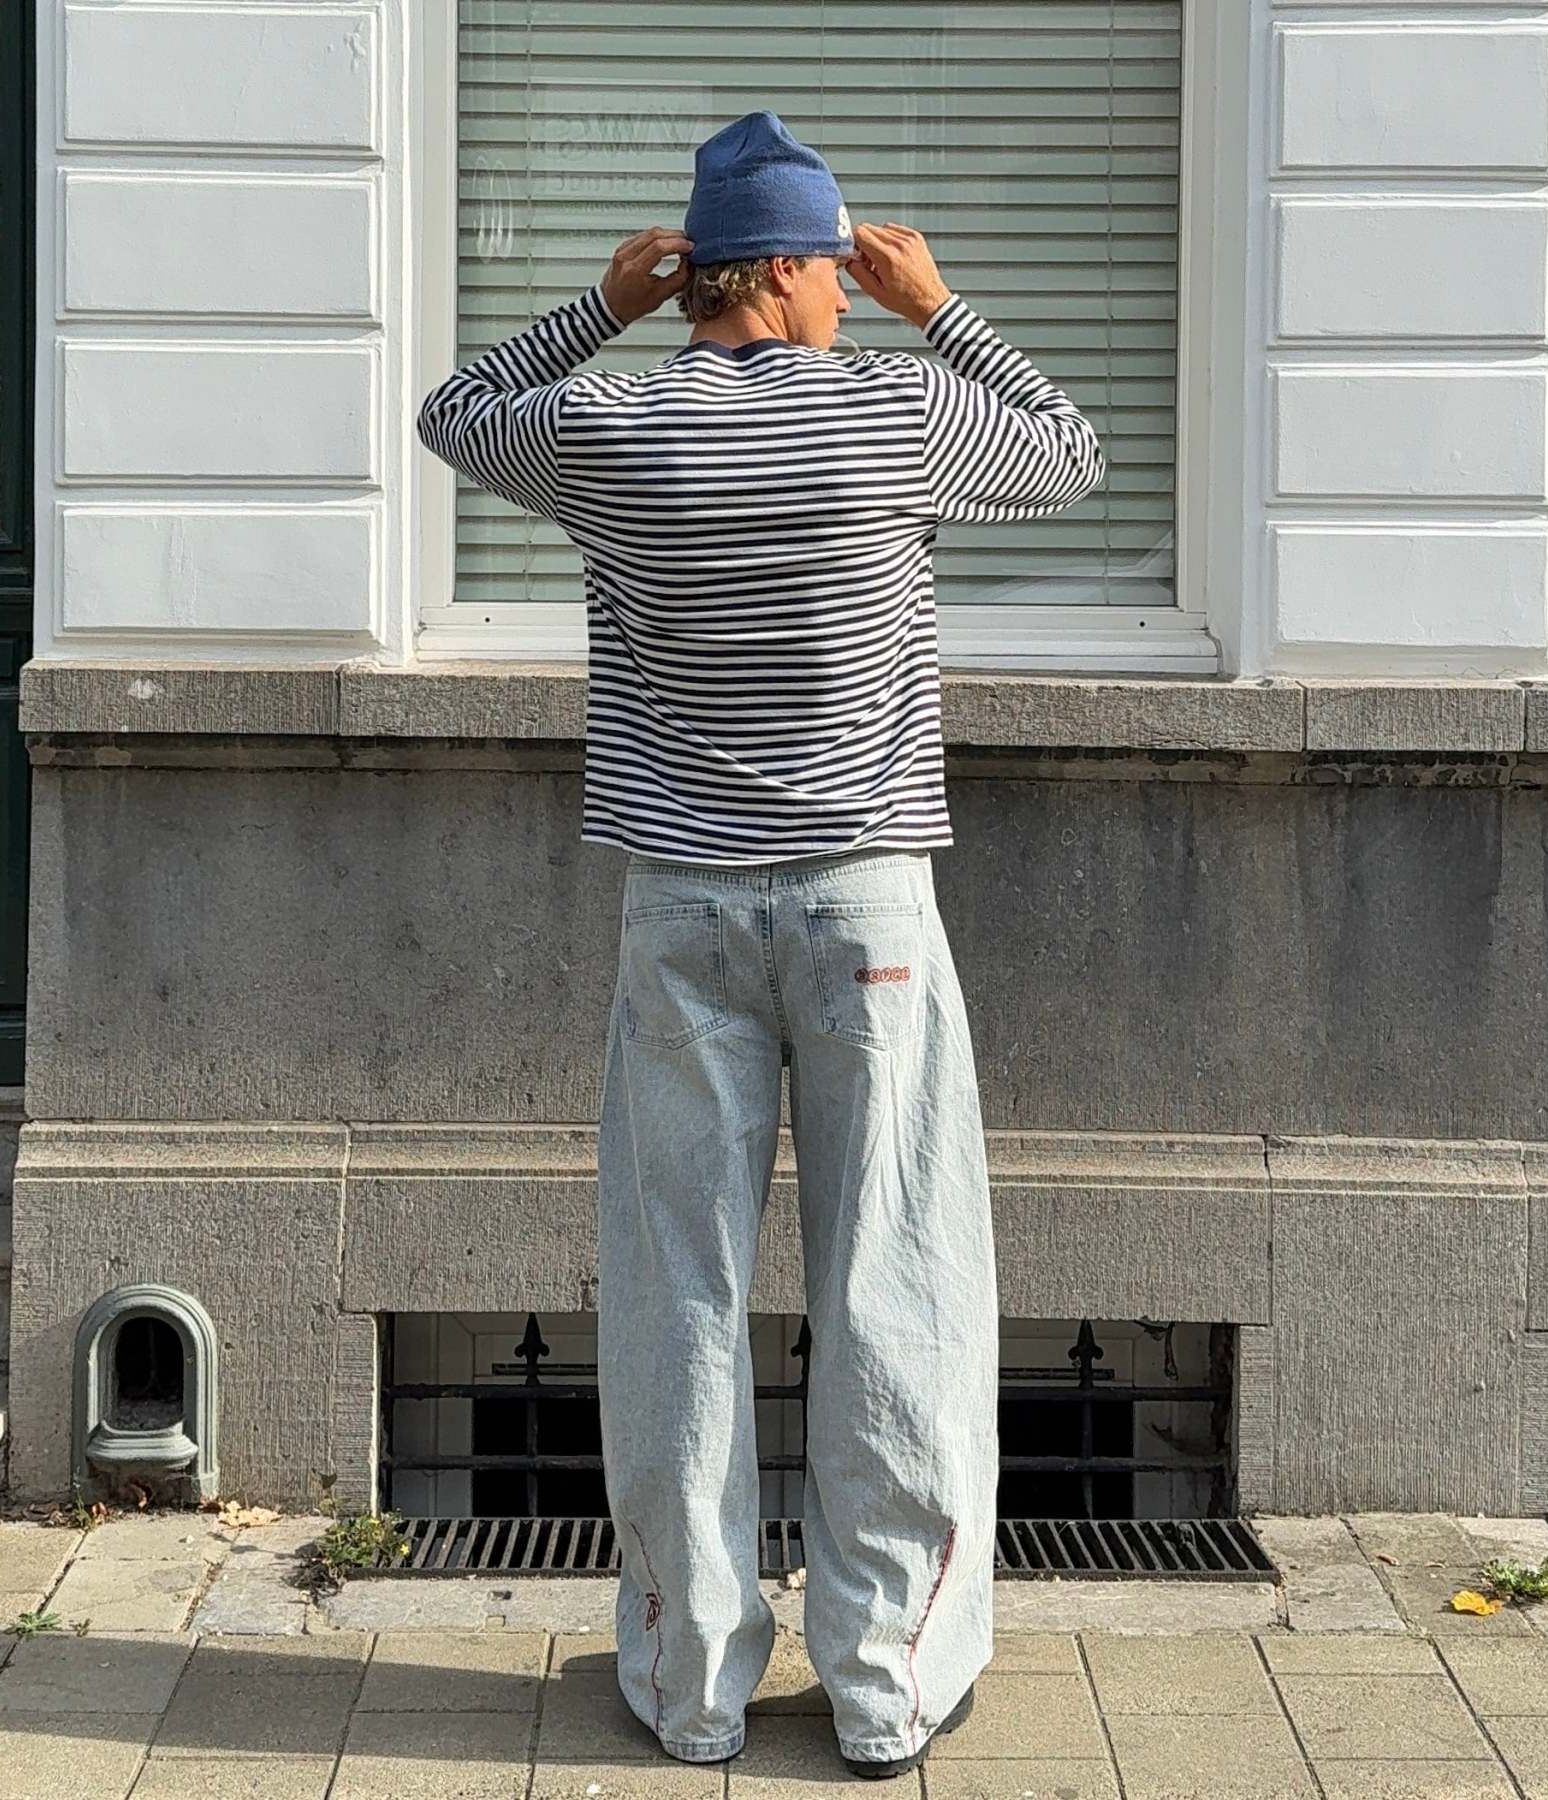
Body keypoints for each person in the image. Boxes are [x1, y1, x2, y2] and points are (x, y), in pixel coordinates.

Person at [418, 110, 1104, 1781]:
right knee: (897, 1275)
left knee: (681, 1288)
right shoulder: (897, 410)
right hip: (867, 905)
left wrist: (601, 308)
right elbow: (1071, 449)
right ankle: (884, 1686)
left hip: (683, 910)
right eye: (840, 268)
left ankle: (693, 1683)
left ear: (700, 274)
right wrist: (942, 307)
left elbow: (453, 416)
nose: (855, 296)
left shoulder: (609, 424)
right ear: (789, 268)